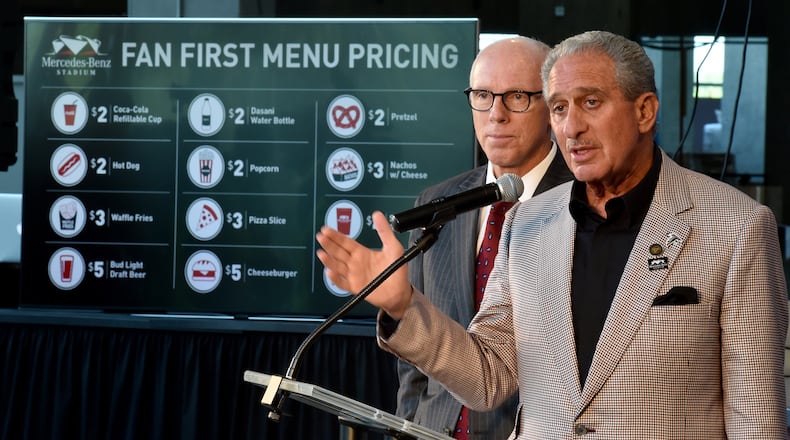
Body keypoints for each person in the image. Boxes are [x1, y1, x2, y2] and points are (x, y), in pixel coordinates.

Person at [316, 30, 788, 438]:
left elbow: (757, 419)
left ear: (645, 111)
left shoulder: (737, 227)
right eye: (559, 108)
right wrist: (404, 307)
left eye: (591, 103)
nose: (572, 126)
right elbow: (488, 377)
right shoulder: (526, 222)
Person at [397, 36, 572, 439]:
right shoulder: (437, 204)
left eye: (516, 96)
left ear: (552, 106)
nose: (496, 114)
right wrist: (408, 427)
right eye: (482, 95)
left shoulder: (582, 206)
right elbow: (413, 362)